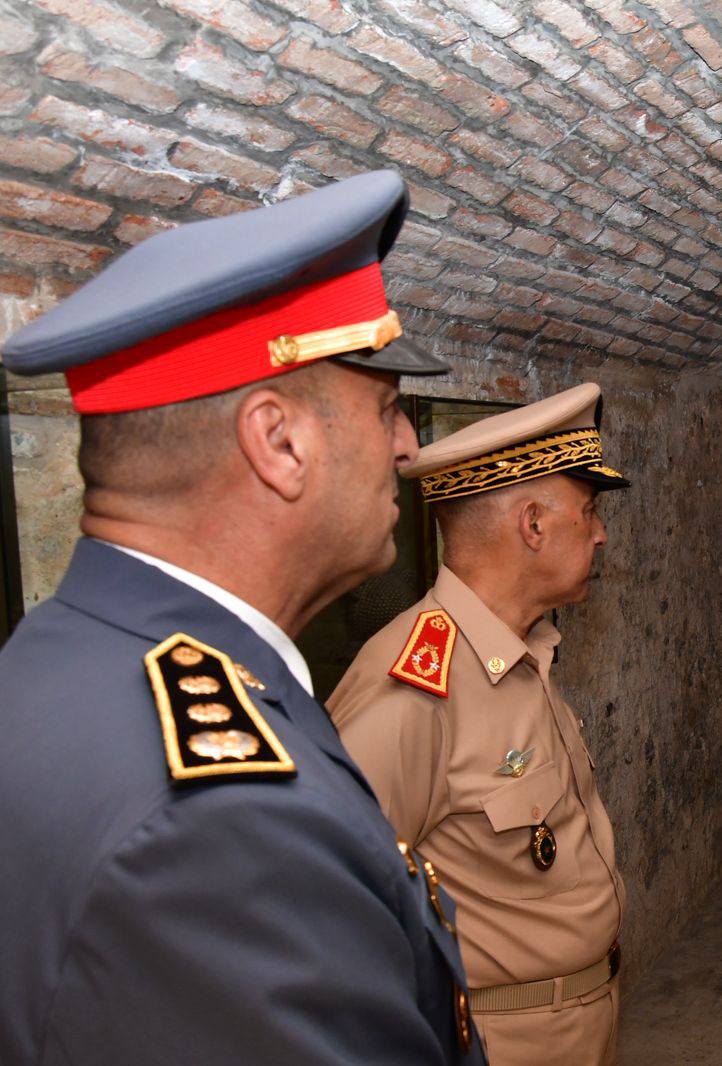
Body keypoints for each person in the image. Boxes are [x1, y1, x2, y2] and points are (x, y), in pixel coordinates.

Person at [0, 170, 485, 1064]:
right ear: (279, 443)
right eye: (385, 410)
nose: (408, 446)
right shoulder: (223, 825)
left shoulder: (57, 659)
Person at [329, 384, 629, 1065]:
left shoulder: (525, 650)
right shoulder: (413, 694)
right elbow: (331, 909)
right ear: (533, 525)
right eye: (588, 511)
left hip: (584, 1021)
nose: (601, 533)